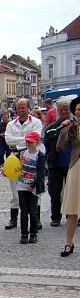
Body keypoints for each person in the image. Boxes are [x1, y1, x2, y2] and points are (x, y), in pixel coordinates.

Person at [5, 98, 44, 231]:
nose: (21, 110)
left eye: (23, 107)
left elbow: (36, 137)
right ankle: (13, 218)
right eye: (19, 108)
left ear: (29, 108)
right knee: (15, 188)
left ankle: (36, 219)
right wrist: (27, 138)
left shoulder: (36, 122)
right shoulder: (11, 124)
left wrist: (22, 141)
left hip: (32, 156)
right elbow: (8, 140)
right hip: (15, 156)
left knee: (34, 189)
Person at [45, 98, 75, 227]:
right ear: (57, 111)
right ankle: (55, 217)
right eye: (61, 110)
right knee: (54, 192)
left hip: (72, 164)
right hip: (55, 164)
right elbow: (47, 141)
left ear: (70, 111)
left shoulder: (75, 126)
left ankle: (71, 215)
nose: (64, 112)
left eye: (66, 109)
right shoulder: (52, 127)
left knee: (72, 192)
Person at [57, 97, 80, 257]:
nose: (78, 112)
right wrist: (64, 130)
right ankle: (68, 243)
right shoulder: (73, 127)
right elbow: (60, 147)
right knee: (72, 208)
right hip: (76, 167)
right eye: (76, 110)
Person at [16, 132, 47, 244]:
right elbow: (17, 167)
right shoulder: (22, 153)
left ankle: (33, 233)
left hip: (33, 188)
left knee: (33, 211)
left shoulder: (41, 155)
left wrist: (32, 185)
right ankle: (24, 234)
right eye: (27, 141)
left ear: (37, 143)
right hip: (21, 185)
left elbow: (41, 173)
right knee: (23, 211)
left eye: (31, 142)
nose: (28, 143)